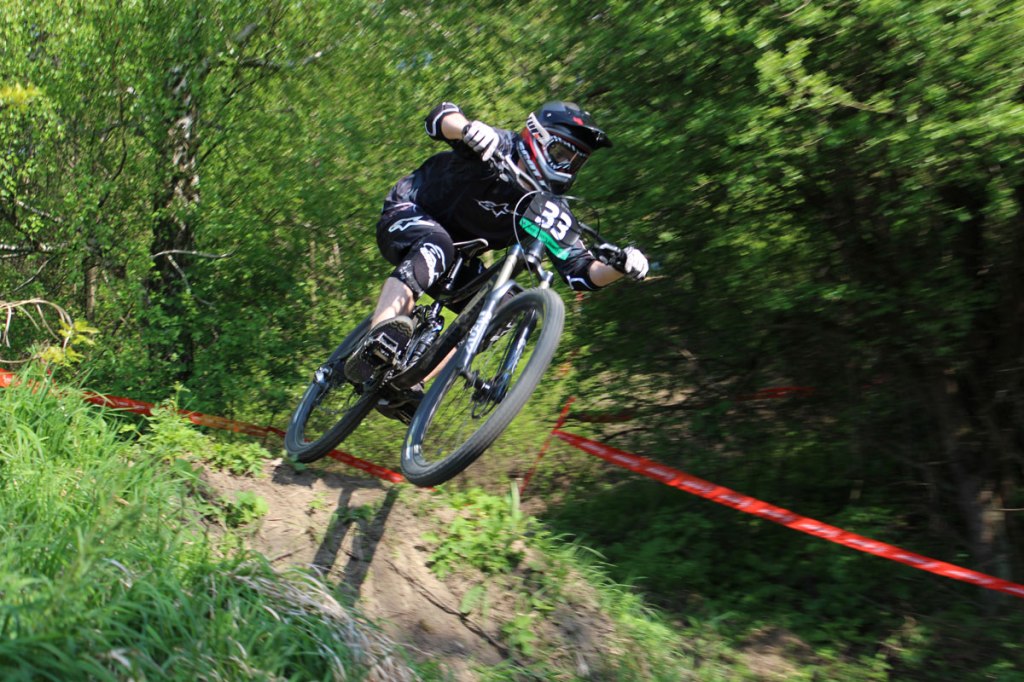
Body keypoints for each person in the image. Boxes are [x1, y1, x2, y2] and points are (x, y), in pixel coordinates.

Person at [347, 100, 650, 417]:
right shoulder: (498, 147)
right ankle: (376, 344)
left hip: (459, 258)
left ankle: (407, 381)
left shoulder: (545, 208)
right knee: (435, 245)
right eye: (562, 154)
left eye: (575, 163)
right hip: (411, 212)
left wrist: (620, 266)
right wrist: (466, 128)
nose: (566, 167)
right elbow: (439, 118)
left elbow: (582, 272)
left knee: (503, 306)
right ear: (538, 137)